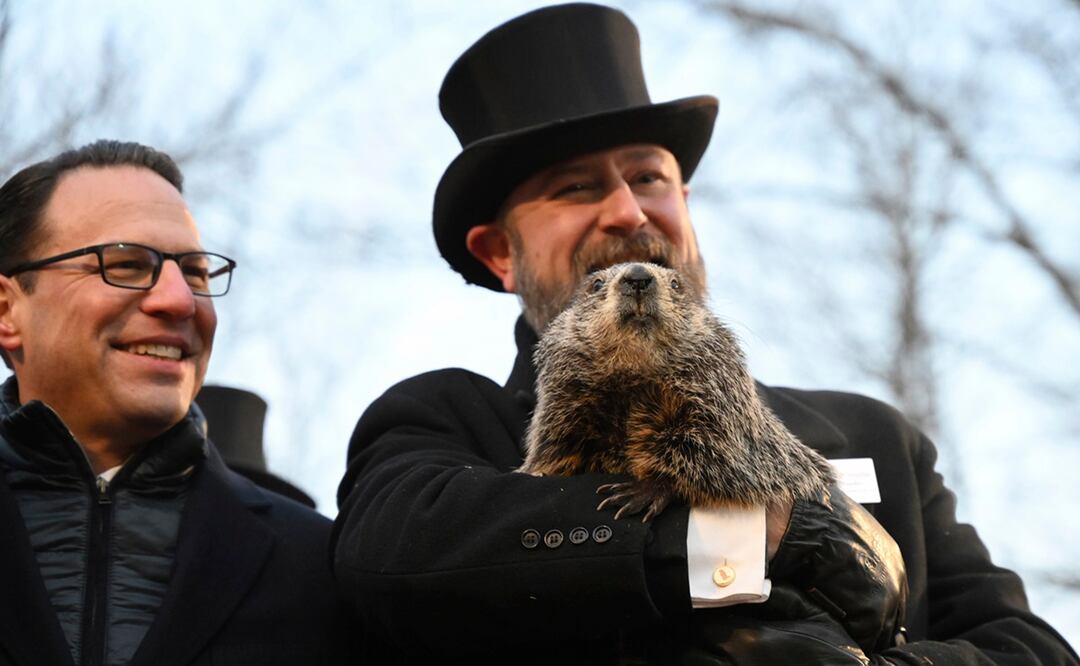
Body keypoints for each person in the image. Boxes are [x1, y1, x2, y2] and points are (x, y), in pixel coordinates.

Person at [332, 4, 1079, 664]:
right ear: (499, 253)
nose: (628, 211)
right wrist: (749, 535)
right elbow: (393, 561)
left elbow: (1030, 647)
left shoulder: (873, 435)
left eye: (649, 177)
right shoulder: (445, 422)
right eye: (577, 187)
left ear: (684, 205)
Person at [0, 140, 353, 665]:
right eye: (124, 263)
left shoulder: (321, 570)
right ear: (8, 311)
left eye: (195, 272)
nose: (180, 300)